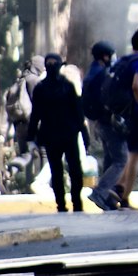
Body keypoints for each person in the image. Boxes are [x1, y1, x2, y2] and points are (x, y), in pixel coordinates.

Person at [26, 53, 92, 213]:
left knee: (58, 171)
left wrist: (31, 138)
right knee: (73, 170)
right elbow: (79, 113)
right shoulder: (67, 86)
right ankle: (76, 204)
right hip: (68, 135)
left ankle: (62, 204)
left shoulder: (41, 88)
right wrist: (84, 135)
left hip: (52, 135)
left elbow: (35, 115)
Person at [108, 29, 138, 210]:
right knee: (135, 155)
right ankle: (124, 195)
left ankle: (119, 185)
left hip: (121, 113)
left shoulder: (123, 60)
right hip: (134, 113)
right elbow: (136, 85)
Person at [83, 40, 125, 211]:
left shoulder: (93, 72)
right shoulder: (102, 74)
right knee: (122, 160)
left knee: (110, 158)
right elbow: (109, 97)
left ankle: (108, 199)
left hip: (100, 122)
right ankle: (100, 192)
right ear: (105, 56)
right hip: (108, 121)